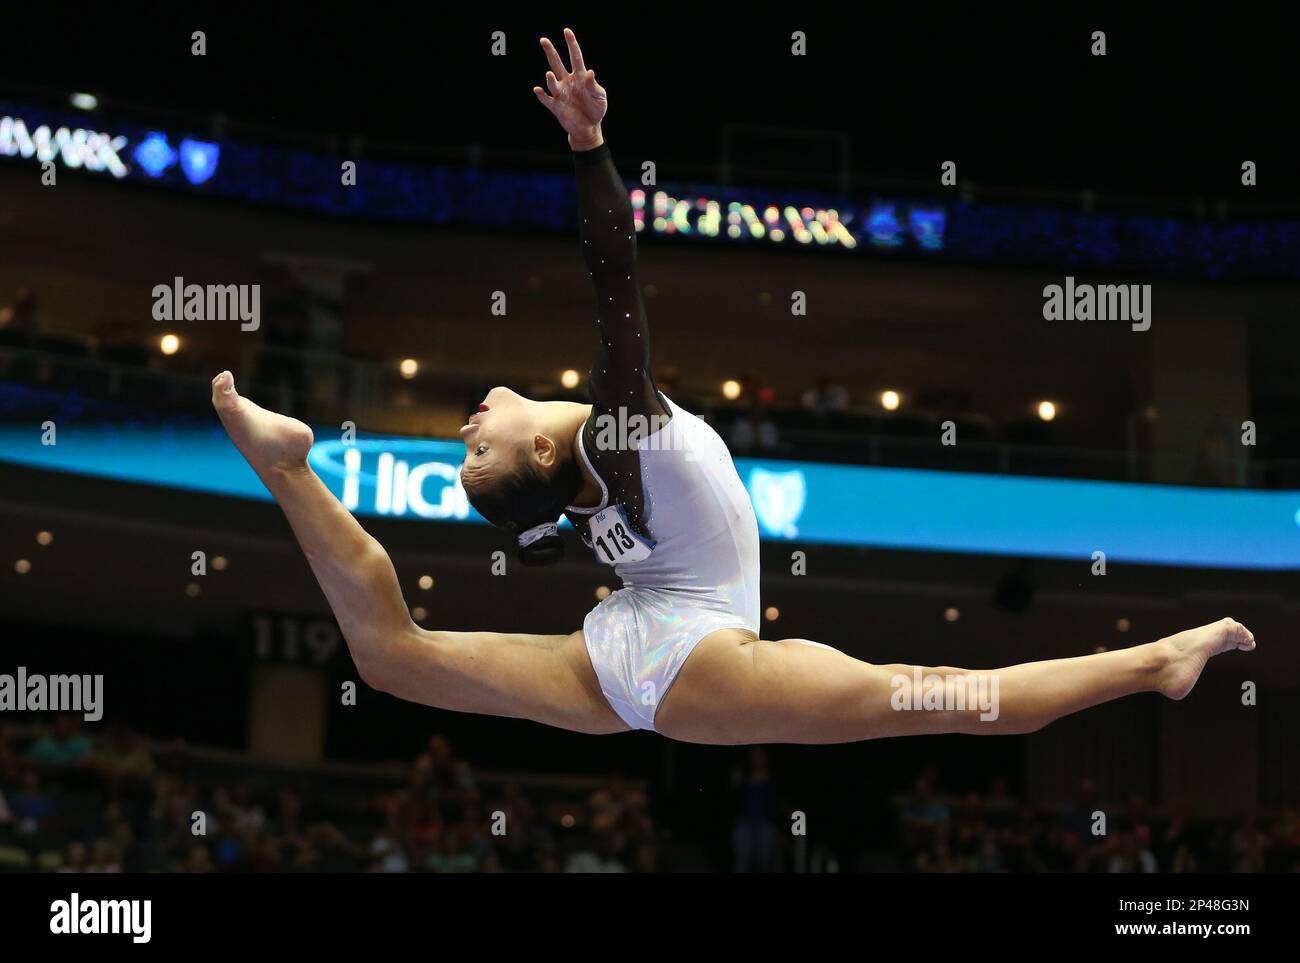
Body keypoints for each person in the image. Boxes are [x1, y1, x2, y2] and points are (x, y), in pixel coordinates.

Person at [211, 28, 1255, 747]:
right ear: (539, 454)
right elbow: (615, 275)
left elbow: (536, 521)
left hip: (624, 653)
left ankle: (290, 472)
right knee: (954, 701)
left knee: (392, 659)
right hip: (687, 652)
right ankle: (1154, 657)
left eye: (462, 441)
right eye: (476, 445)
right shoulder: (612, 436)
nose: (466, 422)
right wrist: (588, 145)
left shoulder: (581, 479)